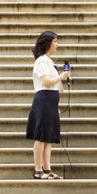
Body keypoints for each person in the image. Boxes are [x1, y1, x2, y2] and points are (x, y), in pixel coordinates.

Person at [25, 31, 70, 179]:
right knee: (40, 137)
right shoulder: (41, 61)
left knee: (48, 138)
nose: (57, 44)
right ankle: (38, 171)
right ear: (48, 43)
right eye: (55, 41)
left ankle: (47, 169)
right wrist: (62, 76)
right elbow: (46, 82)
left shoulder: (49, 62)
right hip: (43, 100)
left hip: (50, 101)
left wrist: (55, 106)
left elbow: (51, 86)